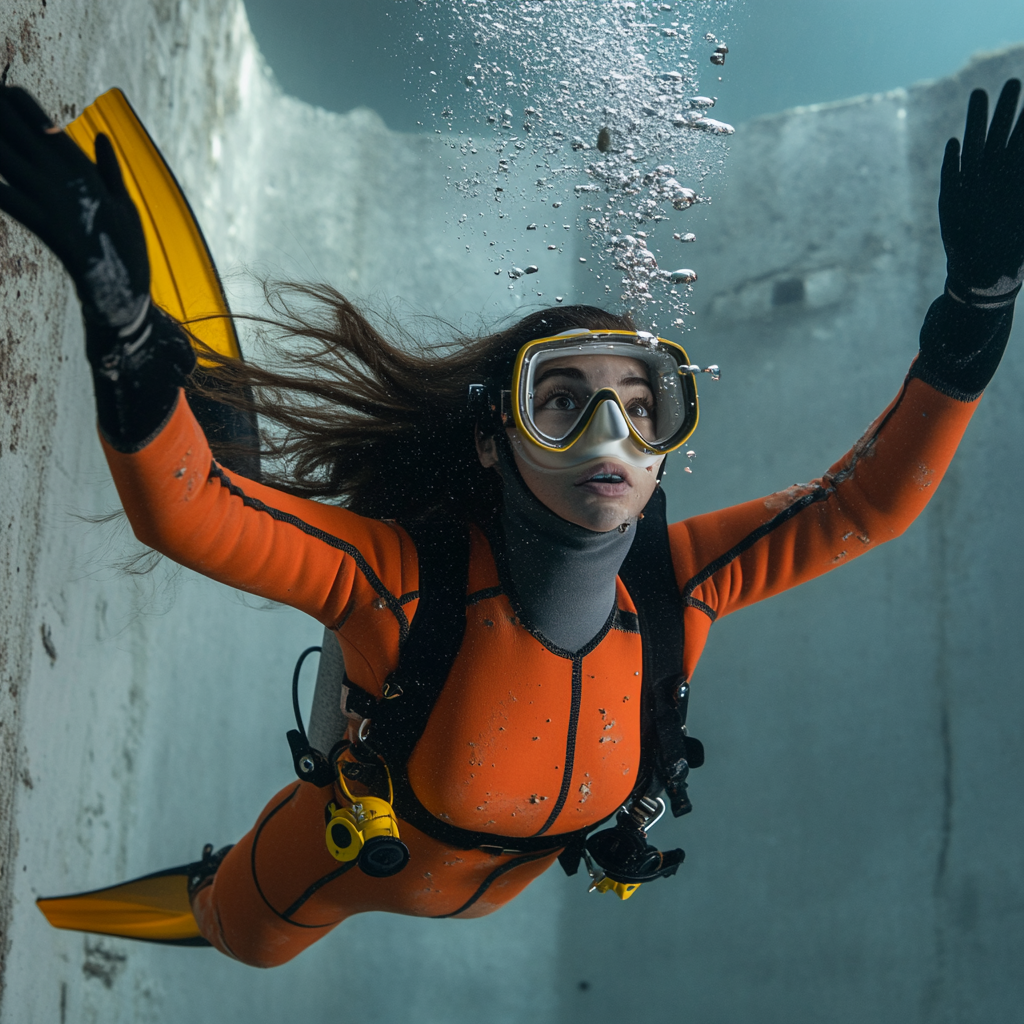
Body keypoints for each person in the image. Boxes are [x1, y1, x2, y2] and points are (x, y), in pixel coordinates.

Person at [1, 78, 1022, 968]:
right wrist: (122, 329)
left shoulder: (679, 584)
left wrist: (977, 305)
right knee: (247, 941)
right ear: (495, 437)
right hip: (333, 866)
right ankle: (198, 397)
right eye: (559, 399)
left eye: (641, 400)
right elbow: (191, 515)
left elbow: (867, 503)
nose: (607, 433)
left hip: (518, 870)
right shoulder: (398, 580)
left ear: (668, 434)